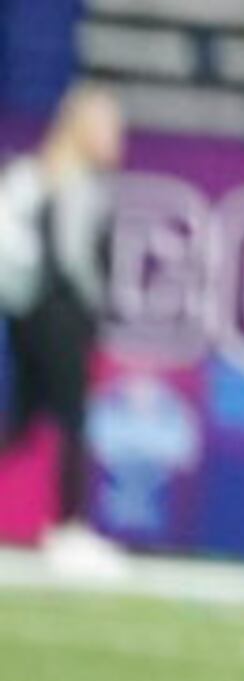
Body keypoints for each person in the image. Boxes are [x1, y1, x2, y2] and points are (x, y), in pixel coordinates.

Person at [2, 85, 127, 576]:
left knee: (20, 422)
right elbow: (75, 262)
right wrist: (95, 309)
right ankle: (70, 527)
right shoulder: (72, 181)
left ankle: (69, 527)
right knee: (73, 420)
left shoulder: (42, 175)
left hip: (31, 315)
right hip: (59, 316)